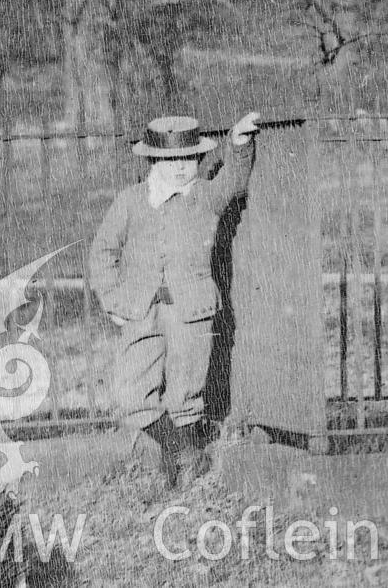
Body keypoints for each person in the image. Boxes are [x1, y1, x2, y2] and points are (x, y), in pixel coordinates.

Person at [88, 108, 261, 485]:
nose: (181, 168)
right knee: (130, 392)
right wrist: (114, 300)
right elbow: (103, 252)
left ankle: (184, 470)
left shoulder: (205, 197)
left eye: (188, 158)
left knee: (186, 390)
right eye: (170, 160)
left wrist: (238, 144)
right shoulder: (131, 201)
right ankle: (178, 451)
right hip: (140, 310)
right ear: (153, 160)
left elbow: (232, 179)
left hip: (192, 310)